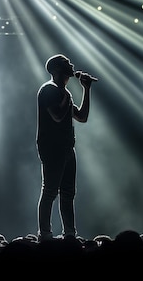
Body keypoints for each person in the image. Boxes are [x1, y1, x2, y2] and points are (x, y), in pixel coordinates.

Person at [36, 54, 94, 242]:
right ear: (55, 70)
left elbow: (82, 117)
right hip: (52, 149)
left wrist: (86, 89)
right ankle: (45, 235)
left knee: (68, 193)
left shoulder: (64, 93)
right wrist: (66, 97)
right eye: (66, 63)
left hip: (67, 148)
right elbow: (58, 116)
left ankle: (69, 234)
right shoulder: (49, 90)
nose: (71, 64)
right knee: (50, 191)